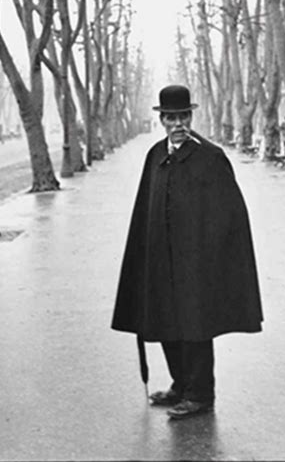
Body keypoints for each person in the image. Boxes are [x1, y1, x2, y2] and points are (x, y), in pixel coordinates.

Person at [111, 85, 263, 420]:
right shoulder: (155, 155)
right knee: (165, 322)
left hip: (196, 262)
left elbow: (230, 213)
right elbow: (145, 208)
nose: (178, 123)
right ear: (162, 119)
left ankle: (200, 395)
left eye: (184, 116)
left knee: (195, 326)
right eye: (172, 117)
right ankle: (180, 385)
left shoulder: (209, 157)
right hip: (162, 259)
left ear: (190, 117)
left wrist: (212, 254)